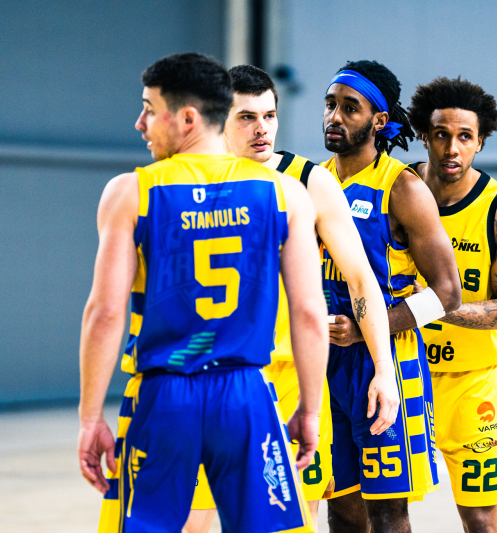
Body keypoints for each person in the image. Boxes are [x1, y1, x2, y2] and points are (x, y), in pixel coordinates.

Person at [78, 53, 328, 533]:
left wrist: (91, 417)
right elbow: (309, 313)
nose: (140, 123)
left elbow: (105, 313)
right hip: (247, 395)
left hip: (163, 395)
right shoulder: (285, 194)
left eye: (149, 109)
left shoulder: (131, 192)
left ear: (187, 117)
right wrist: (310, 409)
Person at [183, 64, 398, 533]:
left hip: (288, 378)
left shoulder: (309, 181)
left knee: (292, 520)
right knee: (191, 521)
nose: (262, 128)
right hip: (205, 375)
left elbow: (361, 280)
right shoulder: (187, 178)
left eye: (270, 116)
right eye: (246, 117)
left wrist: (385, 369)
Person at [332, 76, 497, 532]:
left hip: (468, 382)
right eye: (441, 134)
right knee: (369, 507)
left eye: (465, 137)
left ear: (481, 141)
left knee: (481, 517)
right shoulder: (396, 187)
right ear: (423, 135)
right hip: (397, 372)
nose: (451, 149)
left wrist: (434, 304)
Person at [321, 60, 462, 533]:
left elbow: (447, 293)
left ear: (379, 120)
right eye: (330, 105)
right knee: (340, 506)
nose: (334, 117)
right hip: (326, 359)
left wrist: (368, 328)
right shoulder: (315, 180)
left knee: (386, 510)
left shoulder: (402, 187)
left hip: (386, 362)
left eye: (350, 108)